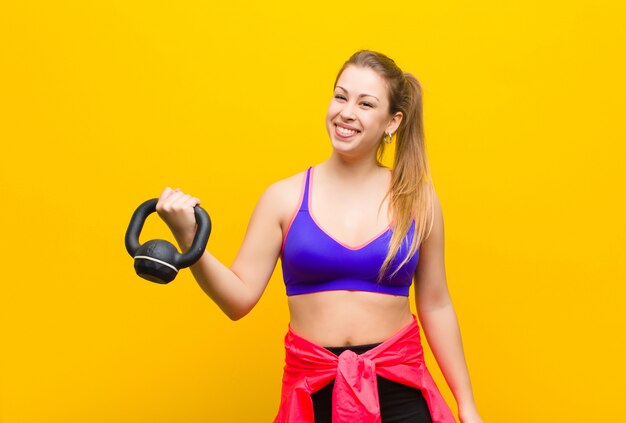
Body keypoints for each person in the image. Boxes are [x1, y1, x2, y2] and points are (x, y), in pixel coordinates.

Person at [156, 50, 483, 423]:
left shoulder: (417, 200)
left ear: (392, 122)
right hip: (313, 391)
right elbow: (238, 300)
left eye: (365, 103)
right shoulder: (283, 198)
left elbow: (436, 304)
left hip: (399, 389)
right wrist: (190, 241)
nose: (346, 112)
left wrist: (467, 404)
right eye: (340, 96)